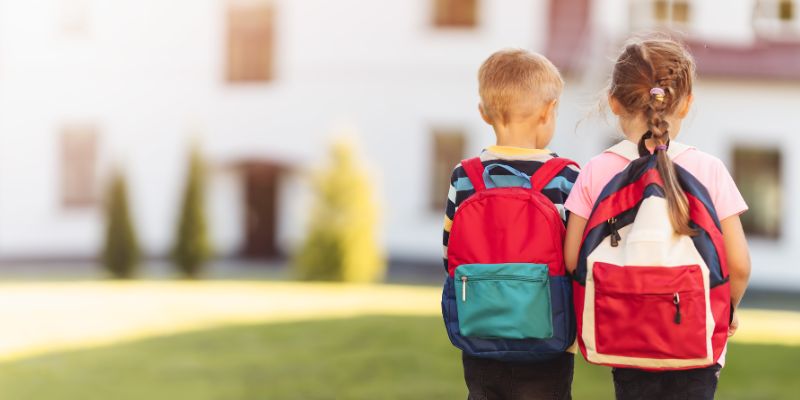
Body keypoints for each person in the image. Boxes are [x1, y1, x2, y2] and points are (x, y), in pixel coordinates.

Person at [563, 38, 751, 400]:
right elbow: (739, 265)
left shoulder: (596, 171)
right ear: (687, 102)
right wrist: (727, 309)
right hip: (694, 339)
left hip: (627, 336)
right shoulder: (709, 170)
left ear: (614, 101)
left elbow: (574, 260)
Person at [441, 48, 579, 400]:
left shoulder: (465, 176)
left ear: (483, 113)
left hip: (480, 332)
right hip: (548, 336)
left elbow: (449, 255)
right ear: (548, 112)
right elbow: (576, 260)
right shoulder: (564, 177)